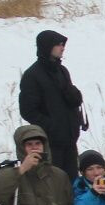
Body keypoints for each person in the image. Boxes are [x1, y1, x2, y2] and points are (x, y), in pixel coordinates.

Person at [18, 30, 84, 178]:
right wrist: (51, 128)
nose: (62, 48)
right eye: (59, 44)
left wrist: (74, 96)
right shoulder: (32, 75)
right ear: (47, 47)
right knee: (54, 184)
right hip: (50, 144)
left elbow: (72, 101)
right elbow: (28, 110)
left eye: (63, 44)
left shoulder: (62, 71)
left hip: (70, 140)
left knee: (71, 184)